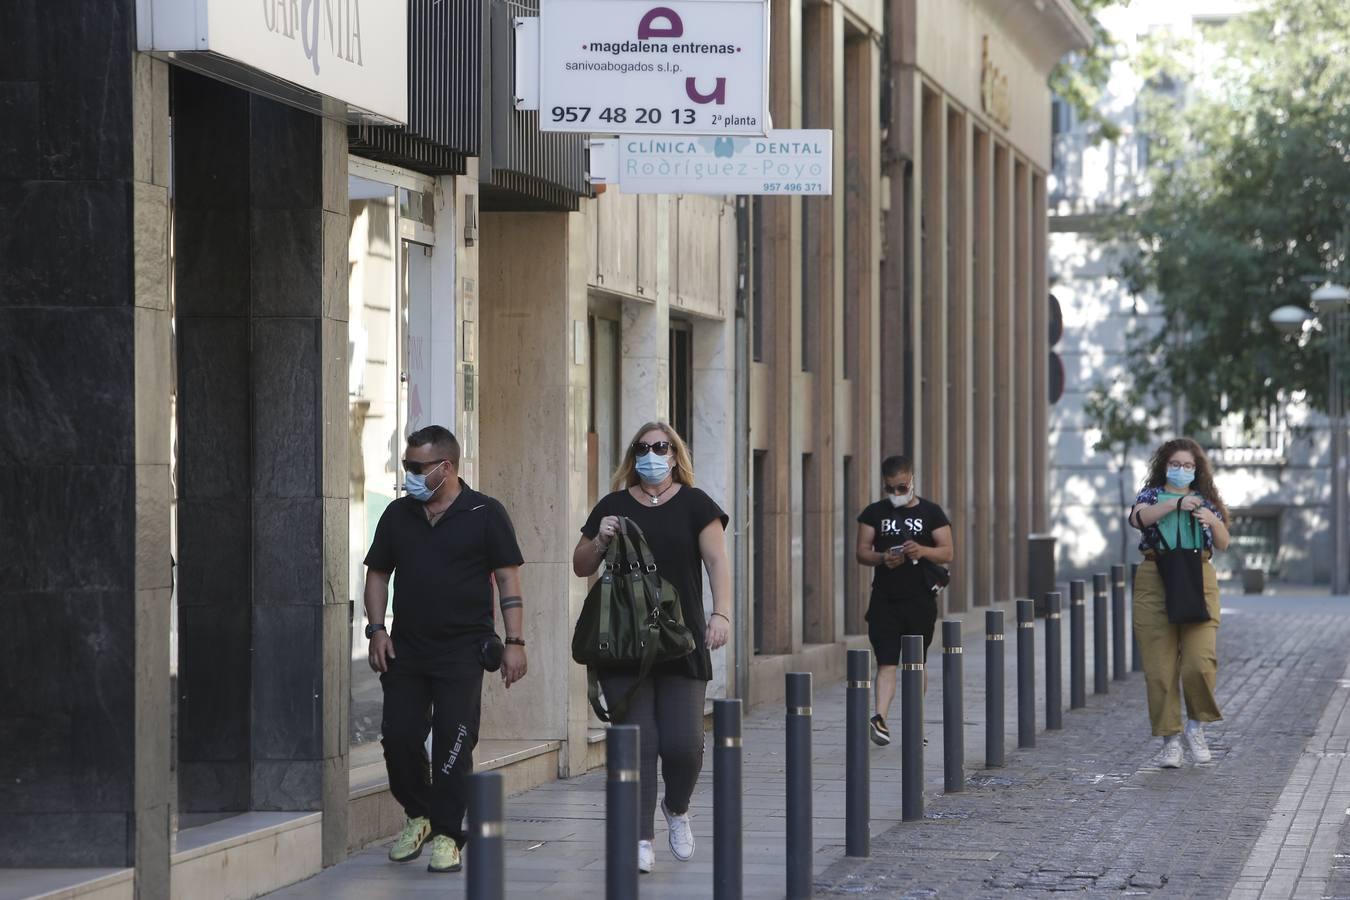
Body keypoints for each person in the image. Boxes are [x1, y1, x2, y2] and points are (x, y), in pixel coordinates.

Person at [363, 425, 529, 874]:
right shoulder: (399, 515)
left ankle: (449, 835)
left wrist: (515, 642)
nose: (410, 475)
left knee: (453, 746)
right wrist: (377, 629)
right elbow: (377, 574)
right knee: (398, 738)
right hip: (408, 650)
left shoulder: (485, 512)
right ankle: (419, 815)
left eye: (417, 468)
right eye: (406, 466)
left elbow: (509, 579)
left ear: (446, 467)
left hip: (463, 650)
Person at [573, 421, 732, 874]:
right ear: (632, 455)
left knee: (684, 745)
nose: (651, 455)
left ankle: (676, 808)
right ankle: (640, 837)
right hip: (625, 643)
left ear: (674, 452)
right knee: (639, 744)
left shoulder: (696, 505)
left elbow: (717, 560)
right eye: (642, 448)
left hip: (681, 640)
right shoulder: (614, 505)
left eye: (659, 446)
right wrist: (601, 538)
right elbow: (580, 564)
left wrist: (721, 614)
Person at [1128, 437, 1230, 768]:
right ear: (1164, 466)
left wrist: (1211, 521)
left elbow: (1224, 542)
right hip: (1155, 577)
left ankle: (1195, 727)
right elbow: (1137, 519)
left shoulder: (1206, 501)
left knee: (1200, 662)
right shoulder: (1152, 495)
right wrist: (1174, 505)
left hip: (1199, 577)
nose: (1181, 470)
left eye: (1188, 466)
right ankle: (1170, 740)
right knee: (1159, 667)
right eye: (1176, 464)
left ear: (1197, 470)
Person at [855, 455, 953, 747]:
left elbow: (947, 552)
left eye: (901, 487)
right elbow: (861, 552)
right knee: (885, 661)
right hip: (884, 598)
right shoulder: (873, 513)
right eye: (890, 489)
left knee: (916, 663)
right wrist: (883, 557)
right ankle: (880, 719)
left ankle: (915, 721)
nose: (896, 494)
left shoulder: (932, 513)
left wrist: (921, 551)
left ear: (911, 481)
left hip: (919, 600)